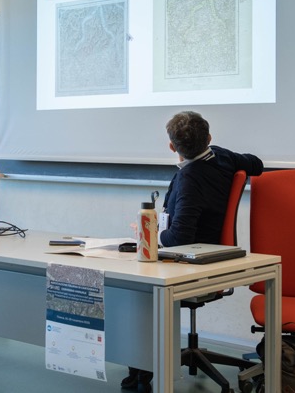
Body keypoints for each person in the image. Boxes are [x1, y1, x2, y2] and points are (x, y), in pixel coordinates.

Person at [121, 111, 263, 393]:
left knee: (132, 287)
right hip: (214, 256)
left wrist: (149, 235)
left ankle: (140, 370)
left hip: (192, 263)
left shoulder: (190, 179)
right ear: (209, 138)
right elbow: (256, 164)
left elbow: (178, 239)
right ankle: (141, 366)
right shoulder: (222, 156)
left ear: (171, 146)